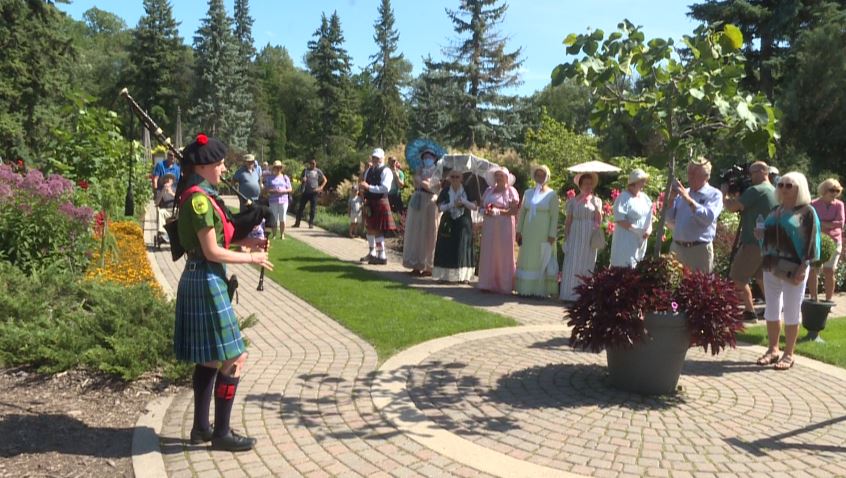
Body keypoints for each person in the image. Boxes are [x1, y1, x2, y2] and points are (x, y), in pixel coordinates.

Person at [173, 133, 273, 451]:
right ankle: (222, 433)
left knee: (210, 360)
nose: (223, 168)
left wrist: (246, 242)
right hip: (206, 279)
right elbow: (212, 252)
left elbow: (212, 242)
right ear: (203, 167)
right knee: (235, 357)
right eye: (219, 164)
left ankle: (201, 429)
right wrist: (252, 258)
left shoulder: (199, 195)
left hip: (201, 277)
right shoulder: (200, 201)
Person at [755, 171, 820, 370]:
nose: (783, 188)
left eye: (789, 185)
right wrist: (760, 236)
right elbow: (767, 239)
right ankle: (772, 349)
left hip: (793, 268)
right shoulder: (775, 210)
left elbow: (812, 242)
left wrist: (804, 266)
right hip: (771, 265)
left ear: (799, 188)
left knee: (792, 310)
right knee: (771, 308)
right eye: (781, 184)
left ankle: (789, 354)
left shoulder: (807, 212)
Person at [722, 161, 778, 321]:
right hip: (768, 243)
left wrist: (724, 194)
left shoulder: (756, 190)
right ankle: (774, 309)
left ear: (762, 172)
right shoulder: (773, 191)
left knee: (737, 278)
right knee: (761, 278)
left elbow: (732, 207)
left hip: (753, 243)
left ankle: (749, 311)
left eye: (752, 173)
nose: (750, 177)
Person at [666, 157, 723, 273]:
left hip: (699, 250)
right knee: (673, 283)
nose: (690, 177)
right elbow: (669, 219)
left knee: (699, 284)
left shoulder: (714, 194)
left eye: (694, 173)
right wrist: (671, 199)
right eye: (689, 173)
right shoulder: (683, 193)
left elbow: (708, 218)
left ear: (706, 176)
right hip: (677, 248)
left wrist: (688, 199)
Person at [515, 165, 560, 297]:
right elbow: (522, 213)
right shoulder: (528, 193)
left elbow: (554, 216)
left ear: (547, 177)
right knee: (527, 258)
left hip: (543, 232)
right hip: (528, 232)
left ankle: (538, 290)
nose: (540, 178)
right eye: (537, 175)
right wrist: (519, 230)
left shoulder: (552, 195)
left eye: (542, 175)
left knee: (540, 259)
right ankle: (524, 288)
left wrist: (552, 234)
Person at [560, 172, 603, 302]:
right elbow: (568, 221)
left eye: (590, 184)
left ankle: (583, 295)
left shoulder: (597, 201)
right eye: (585, 184)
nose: (588, 186)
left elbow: (599, 221)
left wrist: (597, 211)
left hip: (589, 236)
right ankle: (569, 294)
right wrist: (566, 238)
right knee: (572, 262)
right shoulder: (573, 202)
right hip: (575, 234)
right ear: (580, 185)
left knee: (587, 263)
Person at [477, 167, 519, 294]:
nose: (499, 178)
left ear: (506, 177)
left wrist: (499, 212)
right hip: (489, 225)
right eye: (497, 175)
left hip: (504, 225)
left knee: (503, 253)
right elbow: (481, 206)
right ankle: (486, 283)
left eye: (501, 175)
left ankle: (504, 284)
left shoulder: (511, 191)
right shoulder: (489, 190)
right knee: (488, 251)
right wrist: (484, 211)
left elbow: (514, 210)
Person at [432, 169, 478, 282]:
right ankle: (445, 276)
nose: (455, 179)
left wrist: (464, 202)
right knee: (446, 247)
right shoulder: (446, 190)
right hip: (448, 222)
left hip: (463, 221)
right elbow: (440, 208)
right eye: (452, 177)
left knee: (462, 247)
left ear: (461, 178)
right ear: (449, 178)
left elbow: (474, 206)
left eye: (457, 177)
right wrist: (452, 204)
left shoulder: (467, 189)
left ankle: (463, 277)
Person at [402, 150, 440, 276]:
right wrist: (419, 179)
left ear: (434, 158)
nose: (427, 159)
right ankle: (416, 264)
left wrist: (423, 182)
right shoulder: (419, 170)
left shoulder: (438, 171)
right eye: (425, 157)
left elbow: (434, 188)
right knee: (416, 232)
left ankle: (428, 266)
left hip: (430, 202)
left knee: (429, 233)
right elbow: (416, 183)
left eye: (429, 157)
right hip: (418, 201)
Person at [357, 148, 397, 264]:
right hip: (370, 202)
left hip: (380, 202)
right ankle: (372, 253)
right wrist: (363, 193)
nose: (375, 160)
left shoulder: (386, 171)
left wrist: (369, 187)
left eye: (377, 158)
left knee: (378, 231)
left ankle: (382, 256)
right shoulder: (369, 170)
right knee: (369, 229)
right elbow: (365, 184)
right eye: (374, 157)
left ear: (382, 158)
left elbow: (385, 188)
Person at [809, 178, 844, 302]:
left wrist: (822, 223)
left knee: (829, 271)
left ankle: (828, 301)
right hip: (816, 241)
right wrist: (829, 224)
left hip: (834, 242)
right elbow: (811, 222)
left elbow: (840, 223)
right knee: (813, 270)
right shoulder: (813, 204)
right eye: (831, 190)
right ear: (824, 190)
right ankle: (813, 299)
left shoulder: (839, 205)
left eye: (837, 190)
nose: (834, 193)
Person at [609, 169, 653, 268]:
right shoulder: (623, 198)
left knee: (637, 266)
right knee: (625, 266)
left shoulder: (645, 198)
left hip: (640, 240)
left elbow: (649, 216)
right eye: (642, 181)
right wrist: (636, 230)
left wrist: (649, 230)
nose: (644, 184)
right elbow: (620, 219)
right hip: (626, 239)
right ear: (635, 182)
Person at [293, 159, 327, 229]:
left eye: (314, 163)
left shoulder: (318, 171)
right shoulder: (305, 171)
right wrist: (303, 179)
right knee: (301, 208)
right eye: (312, 163)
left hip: (314, 192)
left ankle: (311, 223)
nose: (313, 165)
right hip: (305, 191)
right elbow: (301, 178)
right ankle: (297, 223)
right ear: (310, 164)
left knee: (313, 209)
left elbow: (325, 180)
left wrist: (320, 187)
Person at [264, 161, 292, 240]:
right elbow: (266, 189)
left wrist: (283, 191)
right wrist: (273, 190)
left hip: (283, 200)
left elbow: (290, 189)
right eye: (276, 167)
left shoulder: (285, 177)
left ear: (281, 168)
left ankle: (282, 234)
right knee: (274, 218)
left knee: (282, 218)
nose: (278, 169)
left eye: (279, 167)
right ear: (273, 168)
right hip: (273, 200)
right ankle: (274, 235)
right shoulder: (269, 178)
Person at [154, 173, 177, 244]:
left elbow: (180, 199)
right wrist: (162, 192)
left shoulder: (175, 189)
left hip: (175, 209)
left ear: (172, 181)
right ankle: (163, 234)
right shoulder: (160, 191)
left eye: (170, 179)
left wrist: (172, 193)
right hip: (166, 210)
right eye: (166, 179)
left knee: (182, 211)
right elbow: (156, 203)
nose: (168, 180)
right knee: (160, 212)